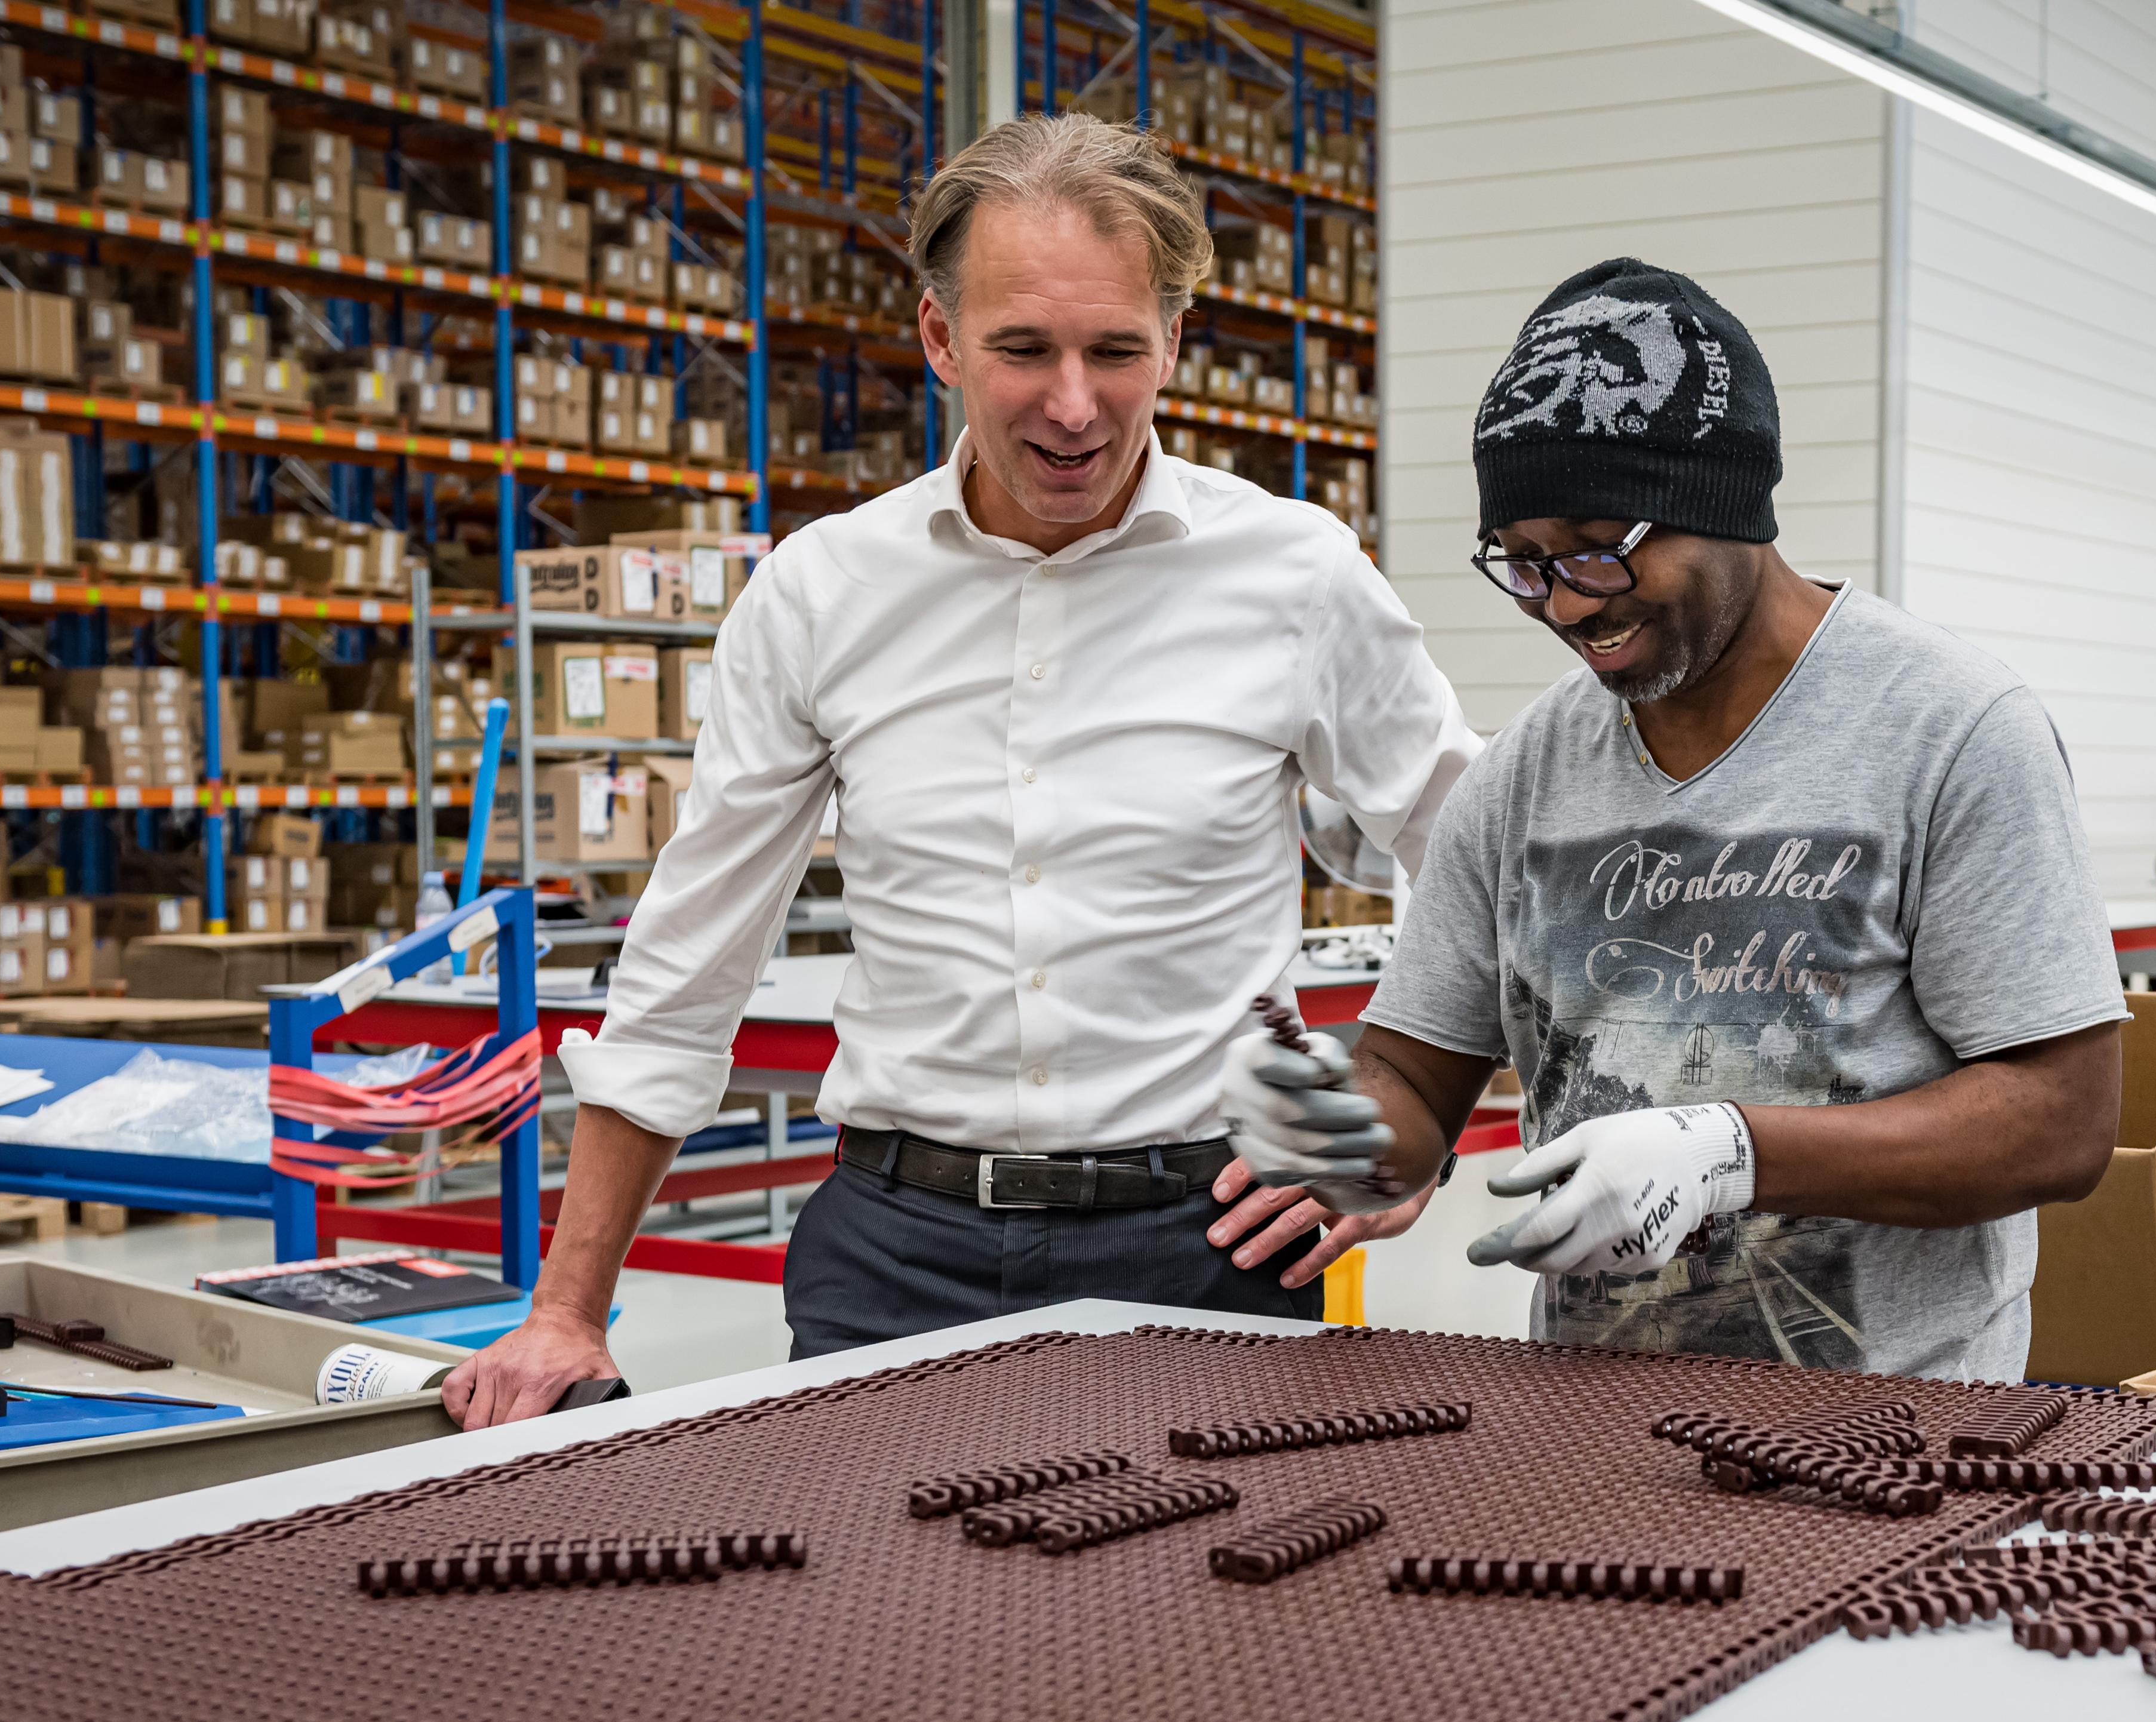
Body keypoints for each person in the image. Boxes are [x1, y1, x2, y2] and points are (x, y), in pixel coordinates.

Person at [444, 115, 1476, 1426]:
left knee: (1207, 1632)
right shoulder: (828, 591)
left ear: (1172, 341)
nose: (1072, 405)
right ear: (940, 338)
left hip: (1207, 1249)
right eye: (1022, 350)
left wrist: (1412, 1113)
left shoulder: (1295, 573)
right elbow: (688, 958)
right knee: (872, 1628)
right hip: (895, 1254)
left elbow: (1474, 849)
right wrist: (564, 1313)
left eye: (1115, 351)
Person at [1219, 259, 2125, 1380]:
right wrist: (1340, 1129)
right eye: (1528, 561)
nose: (1568, 602)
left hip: (1902, 1443)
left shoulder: (1951, 732)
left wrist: (1735, 1154)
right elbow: (1413, 1081)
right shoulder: (1522, 780)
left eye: (1602, 546)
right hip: (1601, 1431)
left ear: (1726, 504)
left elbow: (2062, 1120)